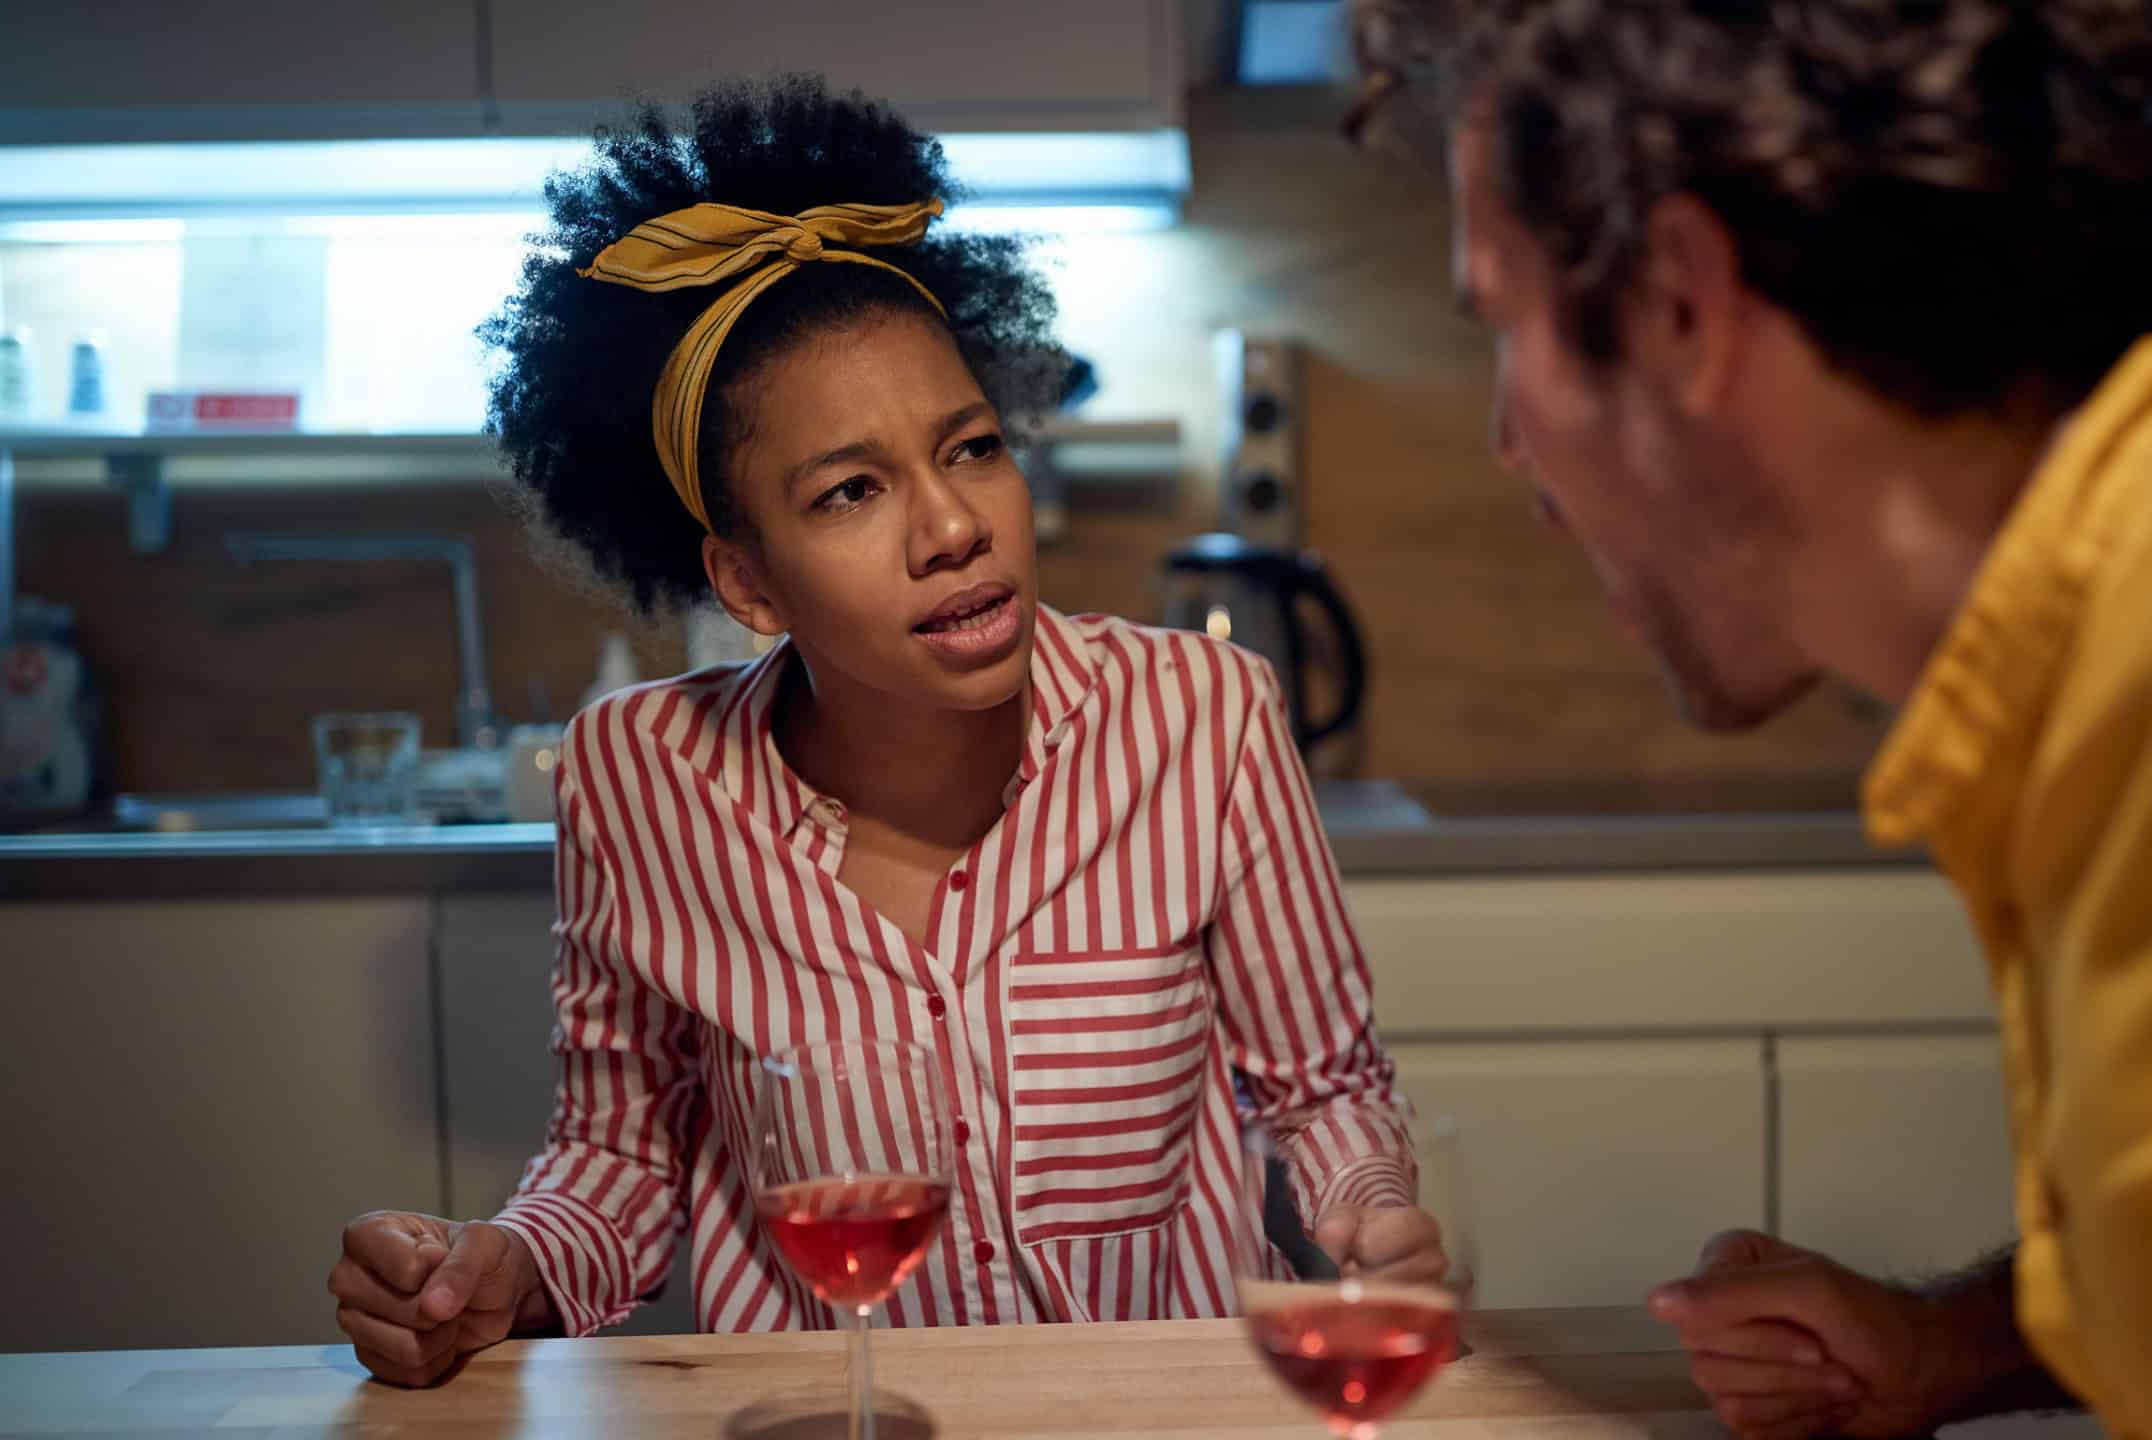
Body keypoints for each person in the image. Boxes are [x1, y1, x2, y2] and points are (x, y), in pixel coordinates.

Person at [1348, 3, 2152, 1438]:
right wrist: (1953, 1344)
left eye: (1502, 324)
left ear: (1679, 300)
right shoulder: (2079, 675)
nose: (1508, 446)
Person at [325, 76, 1438, 1387]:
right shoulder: (639, 779)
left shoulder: (1202, 719)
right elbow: (617, 1160)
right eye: (852, 490)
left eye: (969, 450)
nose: (953, 526)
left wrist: (1367, 1205)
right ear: (746, 581)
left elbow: (1322, 1088)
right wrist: (498, 1267)